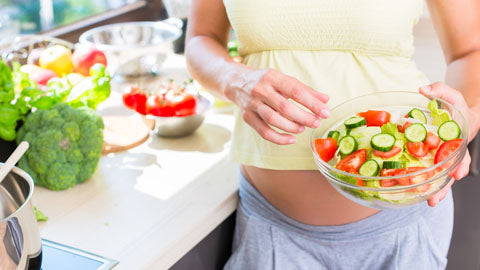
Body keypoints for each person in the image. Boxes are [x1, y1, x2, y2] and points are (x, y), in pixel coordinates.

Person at [185, 0, 480, 269]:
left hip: (402, 230)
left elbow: (470, 50)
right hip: (271, 229)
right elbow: (201, 38)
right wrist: (235, 79)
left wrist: (466, 117)